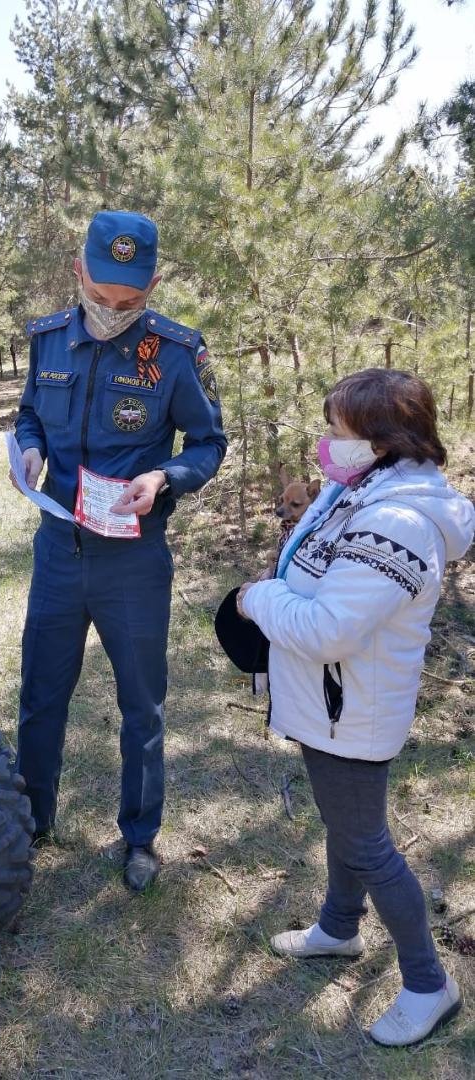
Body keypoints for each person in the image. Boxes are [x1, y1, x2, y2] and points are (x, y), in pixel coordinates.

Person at [237, 368, 474, 1047]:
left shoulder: (397, 522)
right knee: (346, 824)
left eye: (337, 432)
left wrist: (256, 600)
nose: (326, 443)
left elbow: (328, 628)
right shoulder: (362, 487)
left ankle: (430, 984)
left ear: (383, 440)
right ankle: (339, 929)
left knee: (367, 843)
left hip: (353, 709)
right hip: (336, 699)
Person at [13, 210, 227, 891]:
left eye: (129, 301)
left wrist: (165, 476)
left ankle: (139, 837)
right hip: (58, 550)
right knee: (42, 693)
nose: (112, 311)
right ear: (78, 271)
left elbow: (208, 442)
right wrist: (28, 447)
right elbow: (26, 413)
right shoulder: (48, 341)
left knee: (143, 702)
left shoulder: (174, 351)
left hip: (133, 560)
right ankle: (31, 820)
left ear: (153, 284)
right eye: (101, 296)